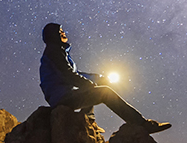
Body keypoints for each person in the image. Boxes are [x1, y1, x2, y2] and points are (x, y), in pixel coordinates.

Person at [39, 23, 171, 133]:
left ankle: (88, 120)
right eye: (60, 31)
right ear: (53, 35)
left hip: (62, 94)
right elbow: (68, 75)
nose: (64, 33)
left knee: (92, 85)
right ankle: (141, 124)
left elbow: (74, 73)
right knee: (104, 92)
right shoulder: (54, 51)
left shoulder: (57, 51)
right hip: (61, 97)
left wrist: (97, 78)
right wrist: (90, 84)